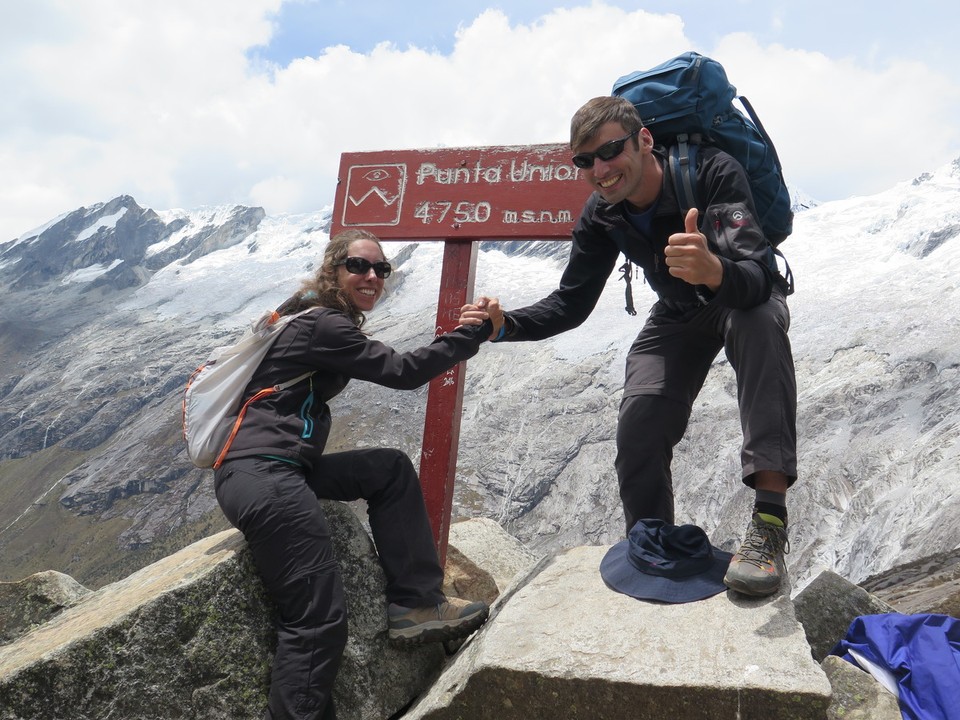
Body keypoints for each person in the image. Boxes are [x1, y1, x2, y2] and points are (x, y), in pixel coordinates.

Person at [473, 95, 796, 599]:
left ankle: (769, 527)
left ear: (644, 140)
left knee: (759, 324)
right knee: (641, 417)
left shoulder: (712, 172)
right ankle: (651, 544)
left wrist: (715, 271)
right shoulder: (603, 214)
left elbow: (758, 277)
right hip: (677, 312)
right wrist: (504, 325)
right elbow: (570, 303)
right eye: (585, 161)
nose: (600, 170)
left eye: (609, 151)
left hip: (737, 296)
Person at [213, 228, 497, 720]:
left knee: (386, 469)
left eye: (381, 269)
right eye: (359, 266)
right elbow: (405, 371)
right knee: (317, 620)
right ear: (334, 270)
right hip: (265, 474)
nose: (371, 276)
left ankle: (415, 606)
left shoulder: (307, 313)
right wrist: (475, 332)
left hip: (278, 469)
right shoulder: (323, 324)